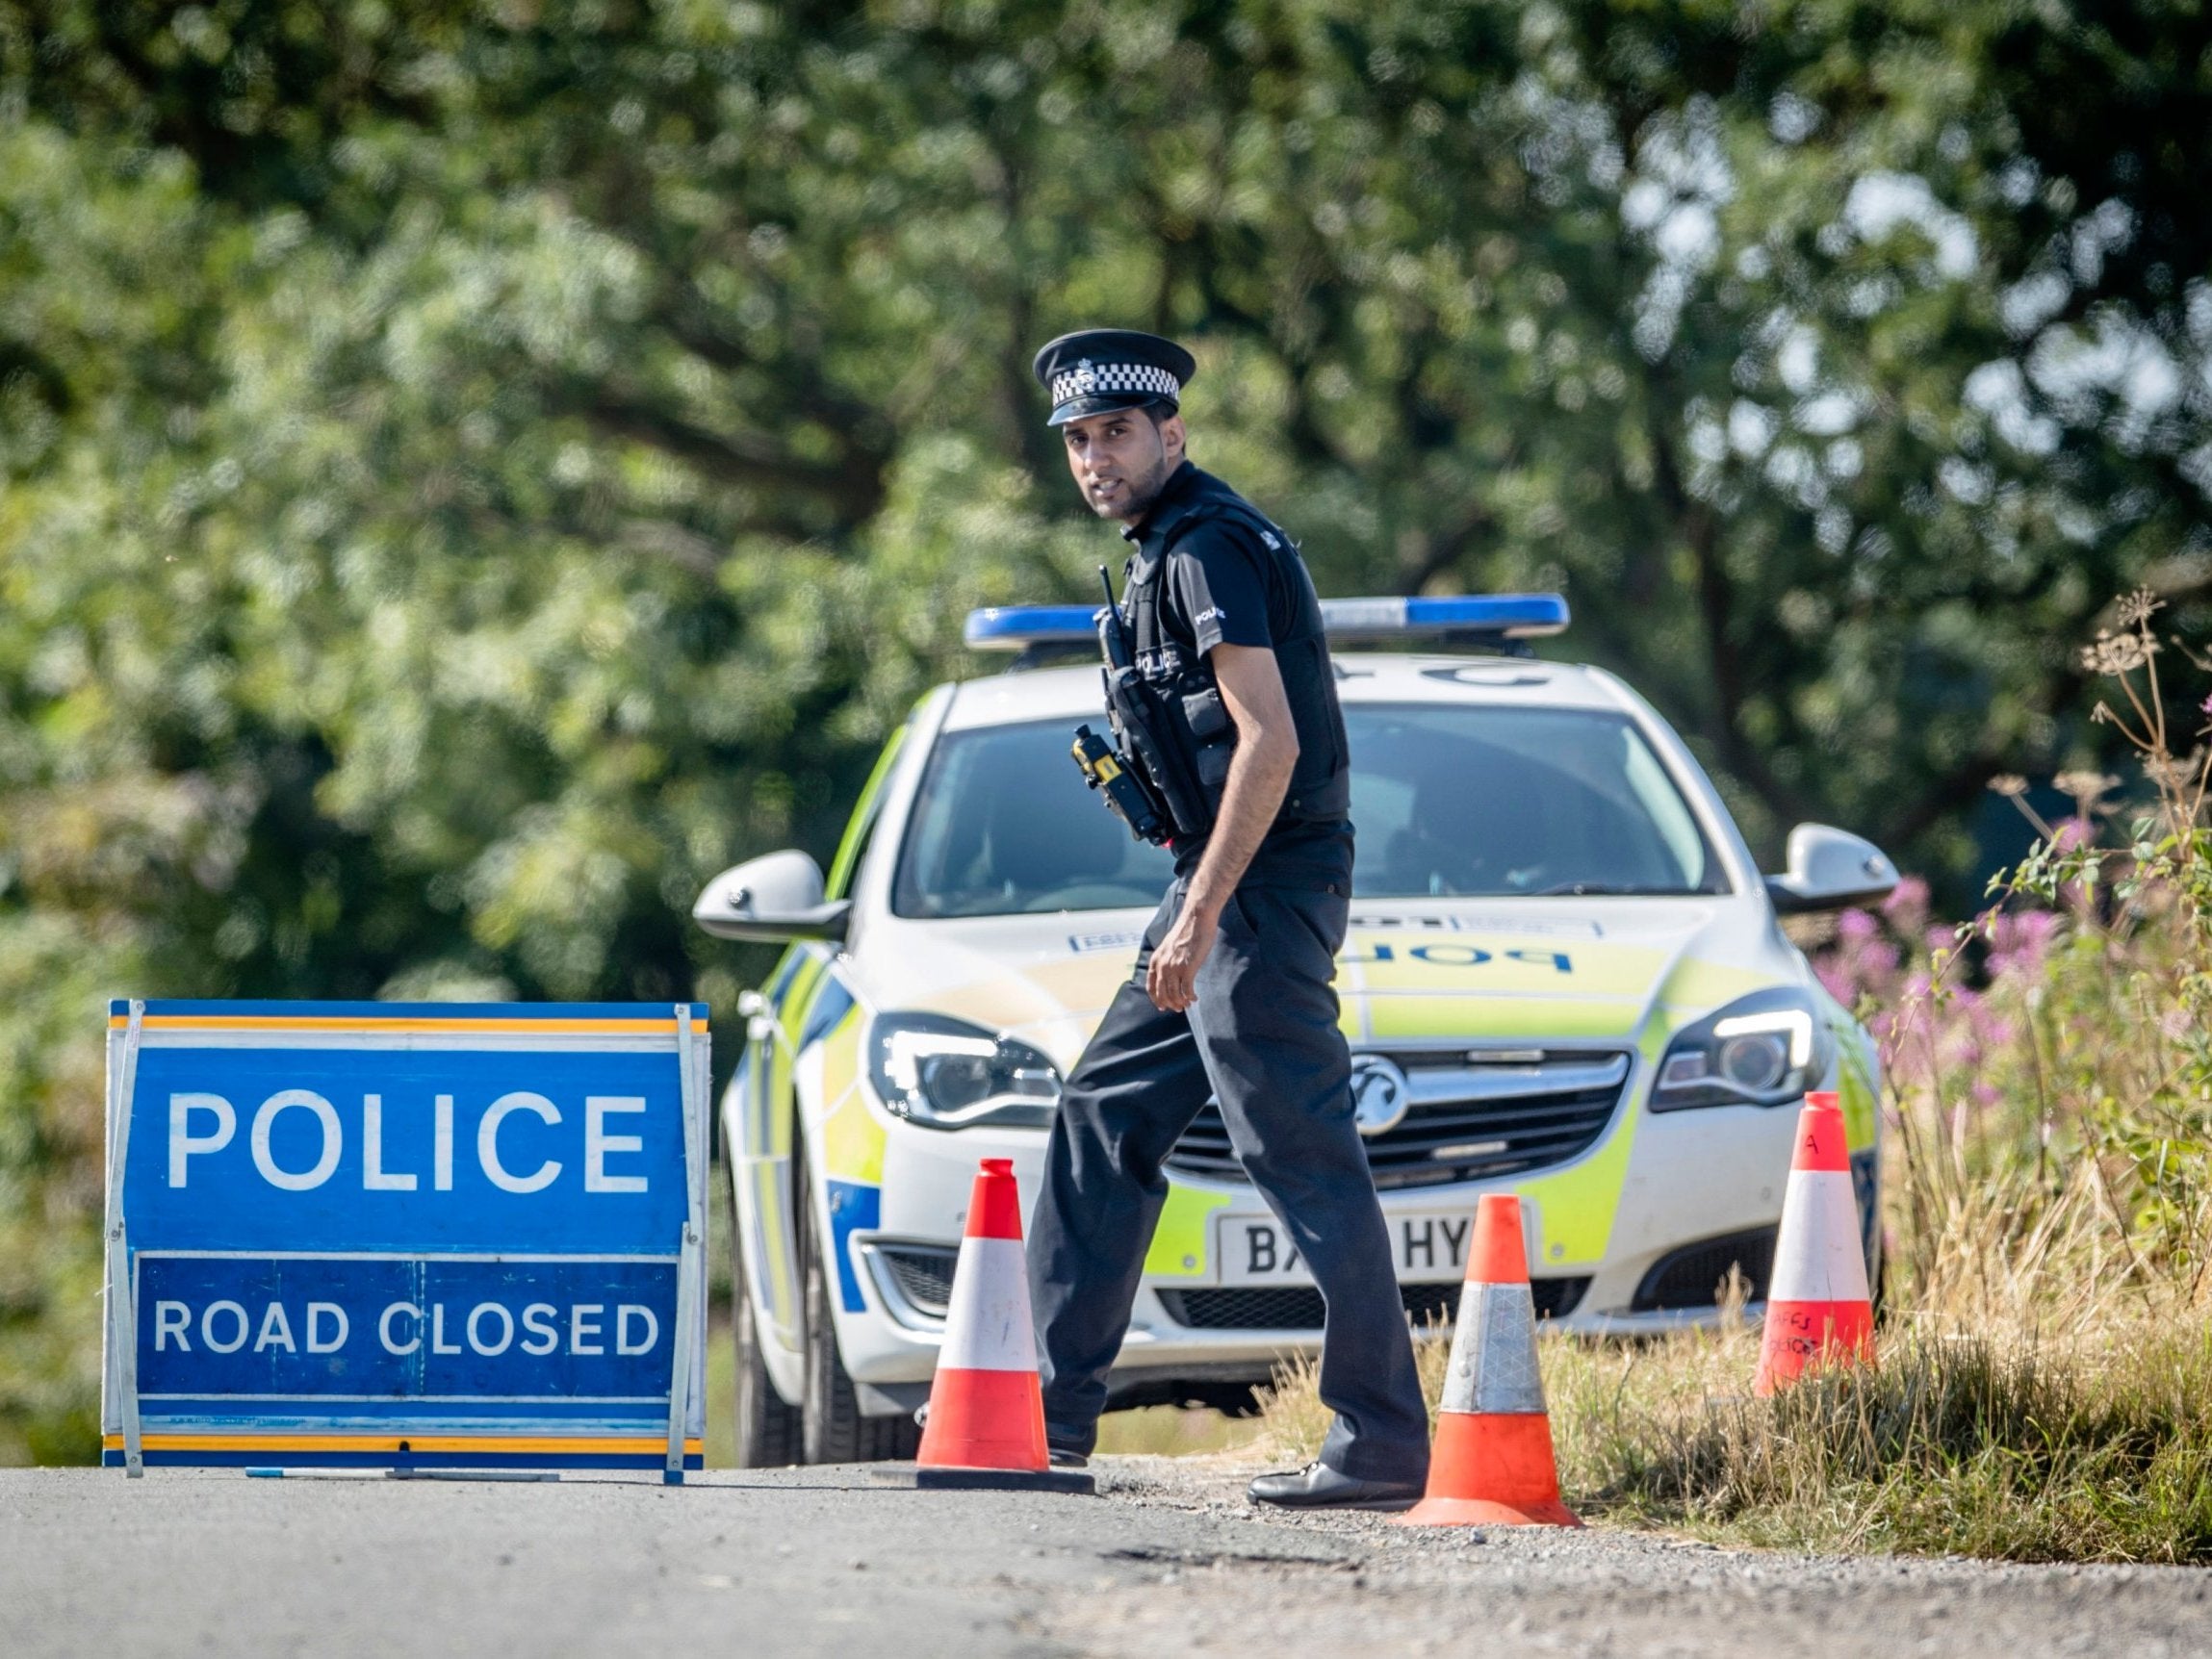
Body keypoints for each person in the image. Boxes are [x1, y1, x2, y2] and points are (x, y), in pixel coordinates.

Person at [1022, 328, 1431, 1509]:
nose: (1097, 457)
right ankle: (1046, 1422)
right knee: (1106, 1109)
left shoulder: (1207, 548)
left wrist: (1196, 917)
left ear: (1172, 435)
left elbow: (1271, 740)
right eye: (1079, 440)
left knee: (1300, 1152)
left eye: (1117, 434)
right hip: (1222, 877)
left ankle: (1383, 1436)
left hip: (1260, 880)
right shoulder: (1163, 549)